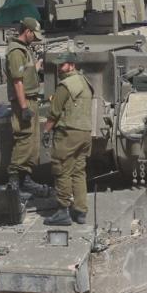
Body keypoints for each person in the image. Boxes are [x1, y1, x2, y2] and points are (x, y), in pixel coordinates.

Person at [42, 53, 93, 226]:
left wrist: (46, 131)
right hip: (85, 133)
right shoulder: (85, 81)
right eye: (57, 65)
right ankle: (80, 211)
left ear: (71, 65)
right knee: (79, 171)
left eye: (62, 65)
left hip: (68, 133)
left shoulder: (65, 85)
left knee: (61, 169)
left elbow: (54, 112)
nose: (58, 69)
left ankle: (63, 211)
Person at [4, 17, 50, 197]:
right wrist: (23, 107)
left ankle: (26, 179)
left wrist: (37, 66)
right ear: (27, 31)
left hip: (31, 98)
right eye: (34, 35)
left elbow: (26, 72)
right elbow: (17, 81)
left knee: (32, 142)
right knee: (24, 140)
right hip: (22, 101)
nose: (35, 38)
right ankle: (15, 183)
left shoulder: (25, 50)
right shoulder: (15, 51)